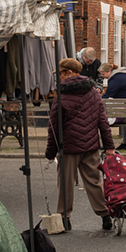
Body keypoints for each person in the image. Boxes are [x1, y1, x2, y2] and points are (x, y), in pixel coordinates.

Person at [45, 57, 115, 231]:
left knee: (65, 184)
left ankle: (64, 218)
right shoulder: (93, 93)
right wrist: (109, 146)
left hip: (68, 147)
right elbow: (103, 122)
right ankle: (105, 215)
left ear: (69, 73)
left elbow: (54, 126)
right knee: (94, 181)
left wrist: (50, 151)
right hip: (90, 146)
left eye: (60, 74)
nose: (59, 78)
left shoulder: (62, 95)